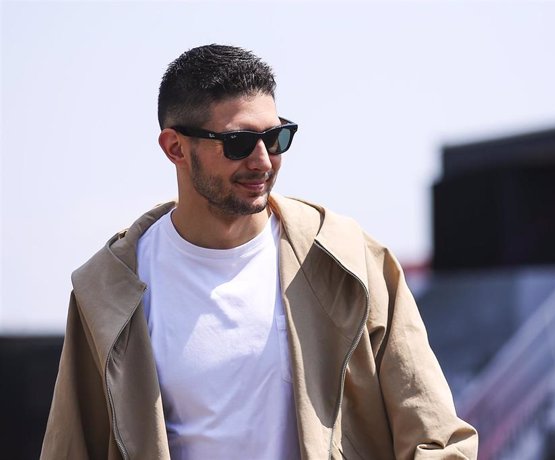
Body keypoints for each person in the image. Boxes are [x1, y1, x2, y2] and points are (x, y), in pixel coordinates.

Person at [41, 44, 478, 460]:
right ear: (175, 147)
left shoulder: (347, 260)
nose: (263, 161)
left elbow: (436, 435)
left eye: (275, 137)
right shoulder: (107, 290)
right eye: (238, 143)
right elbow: (72, 447)